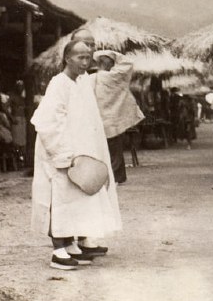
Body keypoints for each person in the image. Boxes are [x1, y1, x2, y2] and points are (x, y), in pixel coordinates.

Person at [30, 40, 121, 269]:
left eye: (88, 57)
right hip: (57, 150)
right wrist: (62, 153)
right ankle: (57, 250)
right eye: (80, 57)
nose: (85, 62)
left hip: (77, 150)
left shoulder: (80, 82)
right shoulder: (58, 84)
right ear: (67, 58)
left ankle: (71, 244)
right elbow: (48, 122)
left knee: (73, 199)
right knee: (57, 199)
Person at [89, 50, 145, 184]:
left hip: (99, 118)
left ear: (98, 63)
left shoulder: (92, 79)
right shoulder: (117, 76)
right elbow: (127, 63)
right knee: (116, 149)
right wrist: (113, 54)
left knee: (102, 150)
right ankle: (117, 177)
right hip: (115, 118)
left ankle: (107, 177)